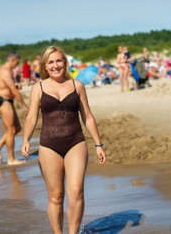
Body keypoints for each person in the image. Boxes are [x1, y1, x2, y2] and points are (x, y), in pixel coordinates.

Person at [21, 46, 106, 234]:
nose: (55, 65)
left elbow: (88, 116)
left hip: (75, 142)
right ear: (45, 66)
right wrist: (26, 139)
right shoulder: (39, 88)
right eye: (50, 62)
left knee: (76, 192)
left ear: (65, 63)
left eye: (59, 61)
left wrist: (98, 144)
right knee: (56, 196)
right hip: (49, 146)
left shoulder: (77, 86)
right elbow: (31, 116)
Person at [0, 52, 28, 165]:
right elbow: (13, 90)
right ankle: (11, 159)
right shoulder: (5, 71)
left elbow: (9, 86)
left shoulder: (6, 70)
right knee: (11, 130)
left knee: (17, 128)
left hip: (7, 101)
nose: (17, 65)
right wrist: (24, 105)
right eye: (17, 62)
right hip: (4, 102)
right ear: (12, 60)